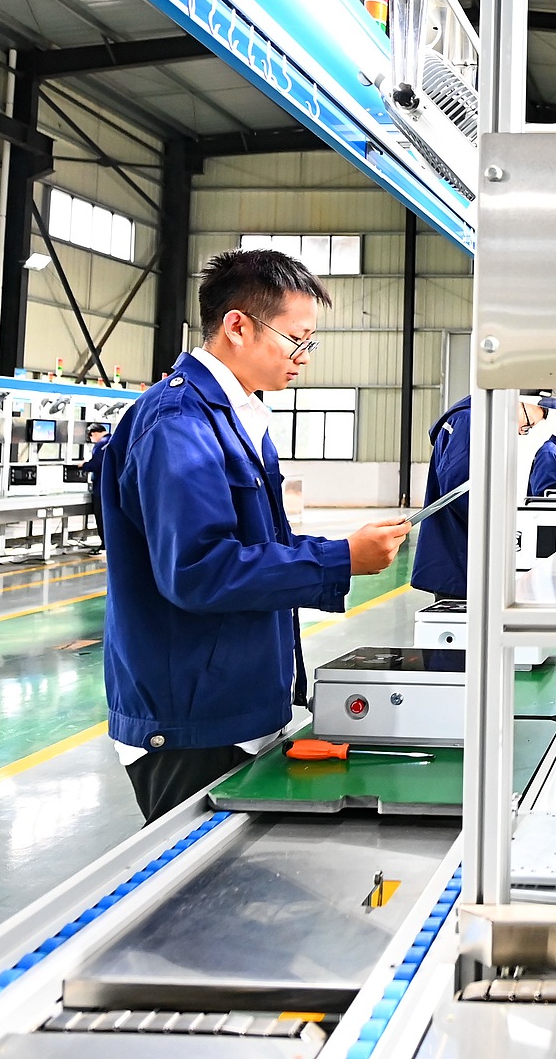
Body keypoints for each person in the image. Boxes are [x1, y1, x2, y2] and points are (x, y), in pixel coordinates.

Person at [100, 248, 412, 823]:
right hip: (192, 713)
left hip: (233, 695)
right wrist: (339, 560)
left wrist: (337, 553)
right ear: (237, 326)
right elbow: (199, 571)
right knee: (192, 894)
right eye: (297, 339)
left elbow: (255, 544)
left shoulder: (236, 414)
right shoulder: (179, 424)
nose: (303, 357)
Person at [412, 393, 471, 601]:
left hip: (454, 548)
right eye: (527, 425)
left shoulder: (464, 418)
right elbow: (458, 487)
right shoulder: (468, 420)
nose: (521, 430)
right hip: (457, 552)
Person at [84, 421, 111, 549]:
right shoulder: (115, 440)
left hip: (102, 488)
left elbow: (97, 464)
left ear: (93, 433)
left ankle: (105, 545)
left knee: (101, 517)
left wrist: (84, 465)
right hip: (114, 487)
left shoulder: (101, 444)